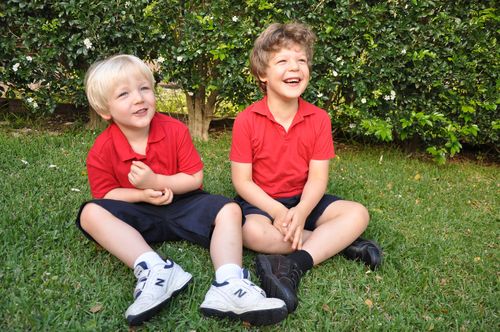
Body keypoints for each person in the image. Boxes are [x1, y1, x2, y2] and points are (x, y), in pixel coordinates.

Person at [75, 54, 288, 327]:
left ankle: (229, 282)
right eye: (124, 94)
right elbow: (107, 196)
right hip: (138, 211)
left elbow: (193, 178)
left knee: (230, 209)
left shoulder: (174, 130)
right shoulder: (103, 148)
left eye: (144, 89)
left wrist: (157, 181)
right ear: (106, 110)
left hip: (184, 202)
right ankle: (155, 270)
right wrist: (141, 194)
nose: (139, 98)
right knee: (90, 213)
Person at [230, 23, 382, 314]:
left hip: (304, 200)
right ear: (263, 74)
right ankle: (341, 244)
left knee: (357, 213)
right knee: (250, 233)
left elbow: (317, 179)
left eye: (301, 60)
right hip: (263, 204)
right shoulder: (246, 120)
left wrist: (300, 213)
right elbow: (242, 182)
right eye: (283, 61)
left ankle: (293, 263)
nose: (295, 67)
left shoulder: (319, 119)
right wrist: (277, 212)